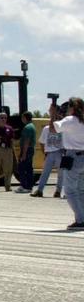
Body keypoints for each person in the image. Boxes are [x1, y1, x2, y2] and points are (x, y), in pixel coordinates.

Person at [56, 96, 84, 230]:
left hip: (73, 156)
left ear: (72, 108)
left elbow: (55, 128)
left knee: (70, 190)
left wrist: (54, 115)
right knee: (81, 190)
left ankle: (80, 219)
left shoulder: (69, 120)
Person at [32, 109, 64, 198]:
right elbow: (42, 142)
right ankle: (39, 190)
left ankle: (58, 191)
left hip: (59, 152)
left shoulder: (62, 129)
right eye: (53, 118)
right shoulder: (46, 129)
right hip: (49, 153)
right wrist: (45, 152)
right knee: (45, 173)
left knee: (61, 174)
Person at [15, 112, 36, 192]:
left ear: (25, 118)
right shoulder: (32, 126)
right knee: (29, 168)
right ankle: (29, 186)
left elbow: (26, 141)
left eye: (22, 118)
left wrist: (23, 154)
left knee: (22, 168)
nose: (22, 119)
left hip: (27, 150)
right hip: (30, 149)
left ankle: (24, 186)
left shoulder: (27, 127)